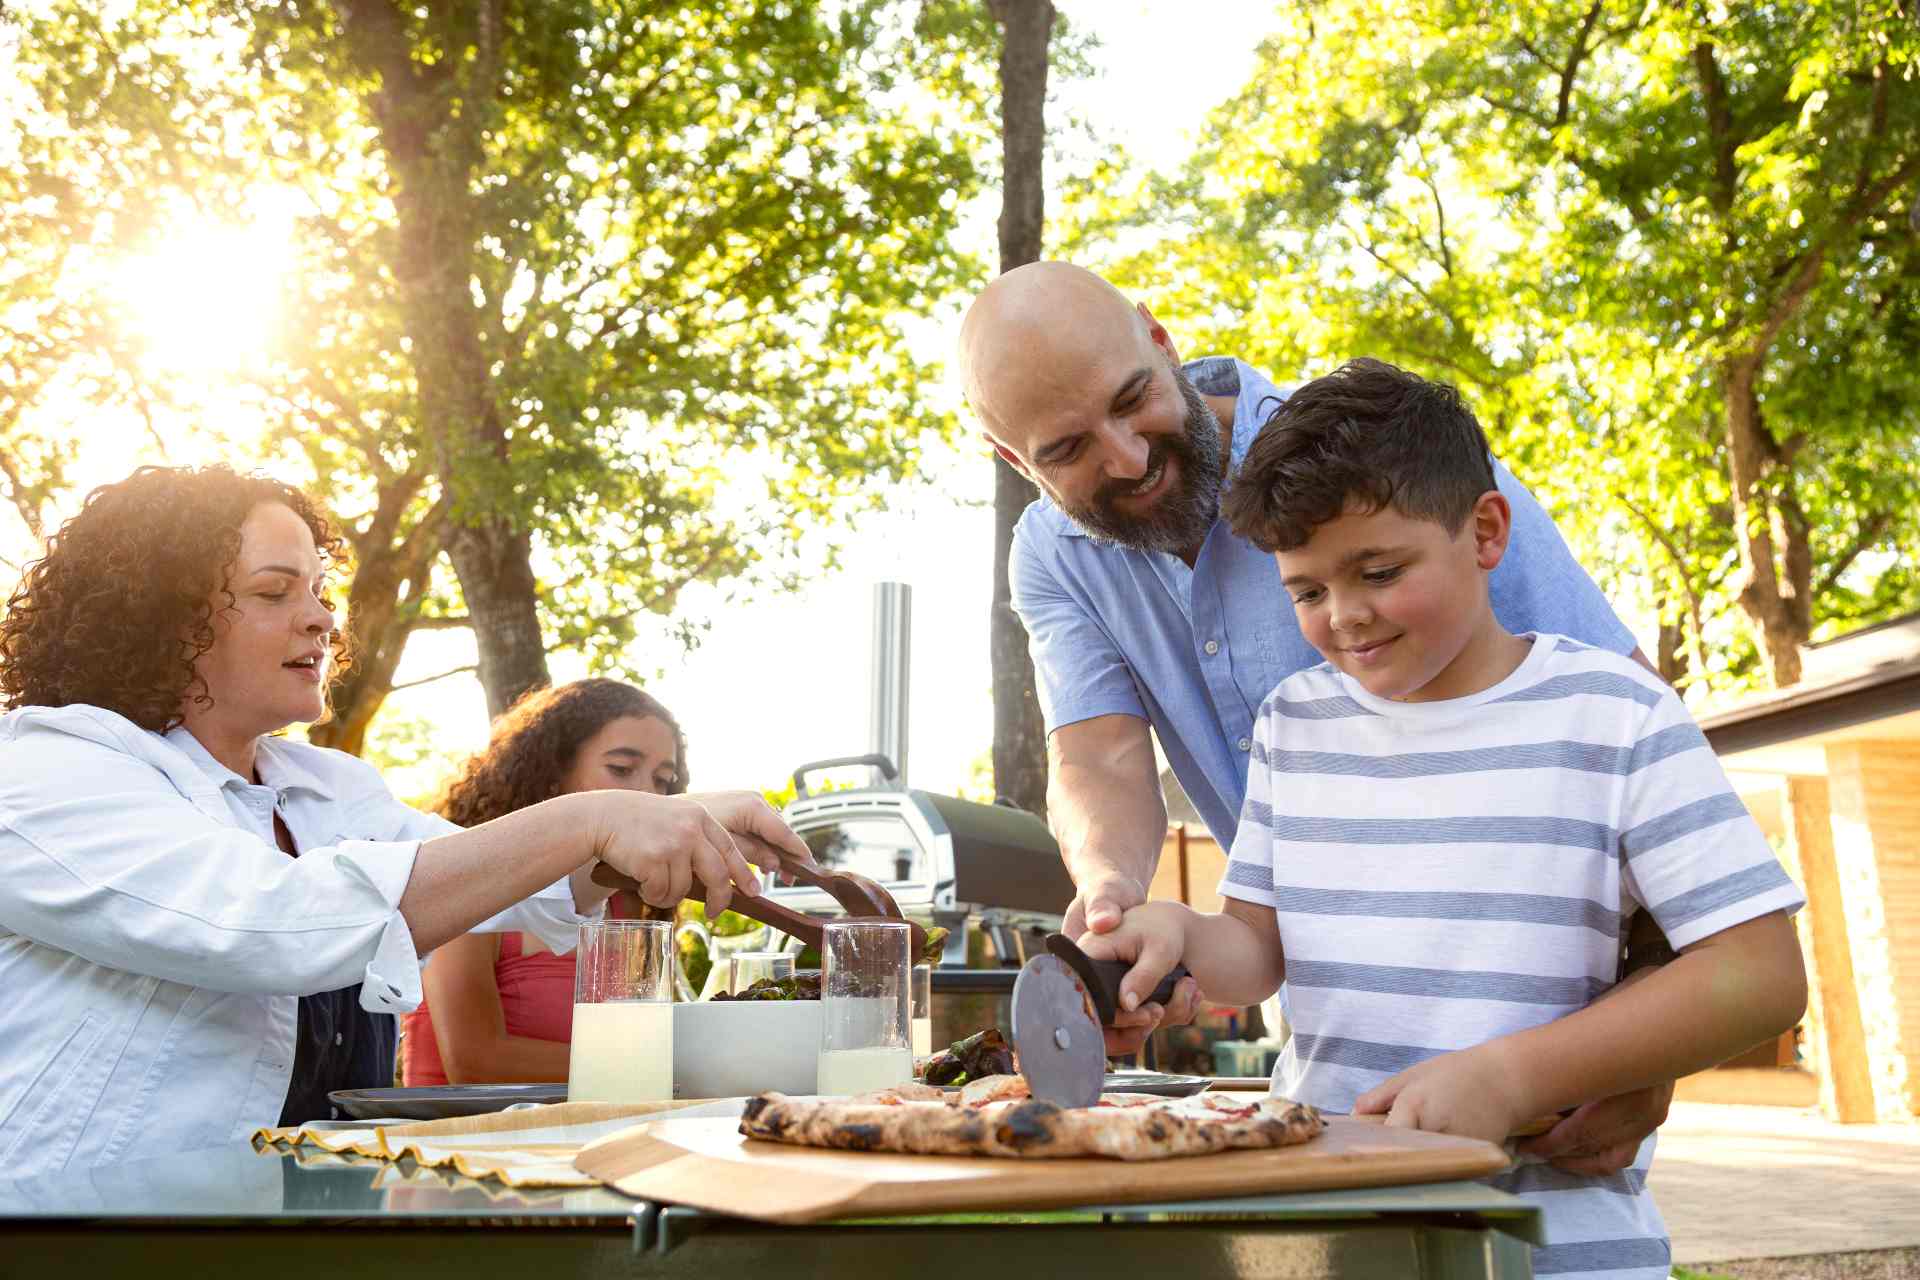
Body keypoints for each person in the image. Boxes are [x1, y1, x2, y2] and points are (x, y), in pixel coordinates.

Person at [1077, 359, 1808, 1278]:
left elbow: (1763, 972)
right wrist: (1178, 932)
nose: (1345, 617)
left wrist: (1512, 1079)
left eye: (1379, 571)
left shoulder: (1614, 713)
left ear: (1487, 531)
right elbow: (1258, 953)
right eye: (1304, 591)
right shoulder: (1296, 725)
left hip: (1557, 1247)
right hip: (1328, 1238)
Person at [958, 260, 1676, 1174]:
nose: (1127, 458)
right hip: (1340, 1060)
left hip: (1546, 1043)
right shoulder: (1053, 557)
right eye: (1067, 450)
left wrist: (1649, 1034)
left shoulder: (1377, 466)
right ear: (1015, 462)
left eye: (1133, 399)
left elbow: (1634, 724)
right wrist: (1113, 899)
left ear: (1160, 337)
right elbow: (1098, 762)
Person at [0, 465, 802, 1175]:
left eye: (318, 591)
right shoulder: (48, 769)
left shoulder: (322, 785)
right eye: (274, 592)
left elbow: (507, 884)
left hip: (273, 1215)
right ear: (163, 618)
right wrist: (593, 816)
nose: (321, 619)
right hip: (70, 1228)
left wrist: (690, 818)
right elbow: (266, 919)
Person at [403, 678, 690, 1086]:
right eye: (622, 770)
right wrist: (672, 1066)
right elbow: (475, 1061)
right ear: (554, 772)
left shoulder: (627, 904)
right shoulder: (474, 876)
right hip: (458, 1142)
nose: (646, 795)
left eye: (663, 780)